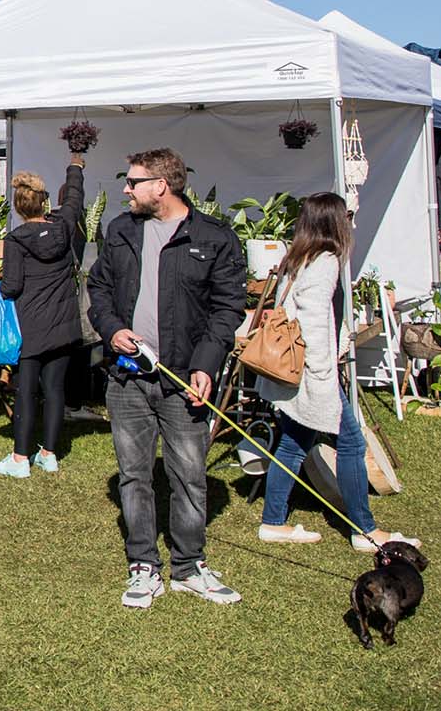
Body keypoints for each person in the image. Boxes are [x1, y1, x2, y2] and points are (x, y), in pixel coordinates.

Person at [88, 148, 248, 608]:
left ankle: (188, 565)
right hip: (127, 380)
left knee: (189, 475)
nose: (125, 189)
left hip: (183, 380)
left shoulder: (214, 237)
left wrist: (206, 364)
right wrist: (112, 328)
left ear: (161, 185)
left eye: (133, 182)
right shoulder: (120, 231)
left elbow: (227, 309)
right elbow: (98, 288)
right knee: (134, 476)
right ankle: (143, 566)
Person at [256, 193, 420, 552]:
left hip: (297, 371)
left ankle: (273, 522)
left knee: (293, 444)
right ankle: (364, 530)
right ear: (334, 221)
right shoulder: (325, 260)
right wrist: (323, 373)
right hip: (313, 375)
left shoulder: (300, 256)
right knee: (351, 443)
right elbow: (313, 320)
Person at [0, 155, 87, 478]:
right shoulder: (63, 227)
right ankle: (48, 454)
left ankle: (20, 459)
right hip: (63, 324)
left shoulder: (16, 240)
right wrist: (75, 166)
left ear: (19, 207)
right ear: (44, 202)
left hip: (31, 326)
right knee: (55, 389)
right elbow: (74, 198)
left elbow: (11, 287)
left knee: (27, 391)